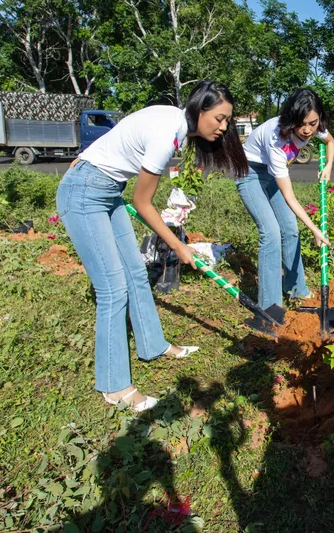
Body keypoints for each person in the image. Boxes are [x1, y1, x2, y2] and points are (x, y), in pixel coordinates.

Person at [56, 80, 248, 413]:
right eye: (219, 118)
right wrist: (180, 246)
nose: (223, 127)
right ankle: (114, 387)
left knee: (134, 272)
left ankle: (154, 344)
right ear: (199, 109)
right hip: (85, 194)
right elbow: (143, 203)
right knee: (113, 289)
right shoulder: (168, 132)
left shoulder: (173, 122)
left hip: (104, 189)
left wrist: (84, 164)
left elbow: (113, 145)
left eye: (228, 121)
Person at [238, 88, 334, 310]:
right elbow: (290, 197)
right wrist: (314, 229)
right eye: (302, 124)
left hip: (271, 173)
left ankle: (296, 290)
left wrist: (329, 165)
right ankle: (270, 307)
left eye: (313, 123)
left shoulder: (314, 127)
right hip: (250, 172)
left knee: (290, 228)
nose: (308, 130)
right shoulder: (277, 140)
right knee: (270, 232)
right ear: (291, 120)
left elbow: (330, 141)